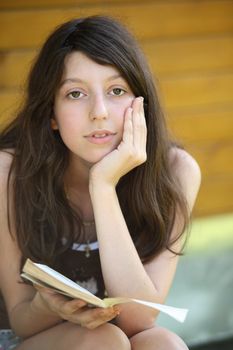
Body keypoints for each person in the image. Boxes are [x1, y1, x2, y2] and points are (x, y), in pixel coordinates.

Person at [0, 15, 201, 350]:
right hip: (24, 338)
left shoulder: (177, 171)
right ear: (51, 112)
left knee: (164, 343)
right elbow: (20, 318)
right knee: (103, 341)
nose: (100, 112)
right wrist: (45, 306)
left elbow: (139, 319)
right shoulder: (9, 171)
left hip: (118, 335)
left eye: (117, 90)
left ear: (142, 103)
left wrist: (103, 187)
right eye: (76, 93)